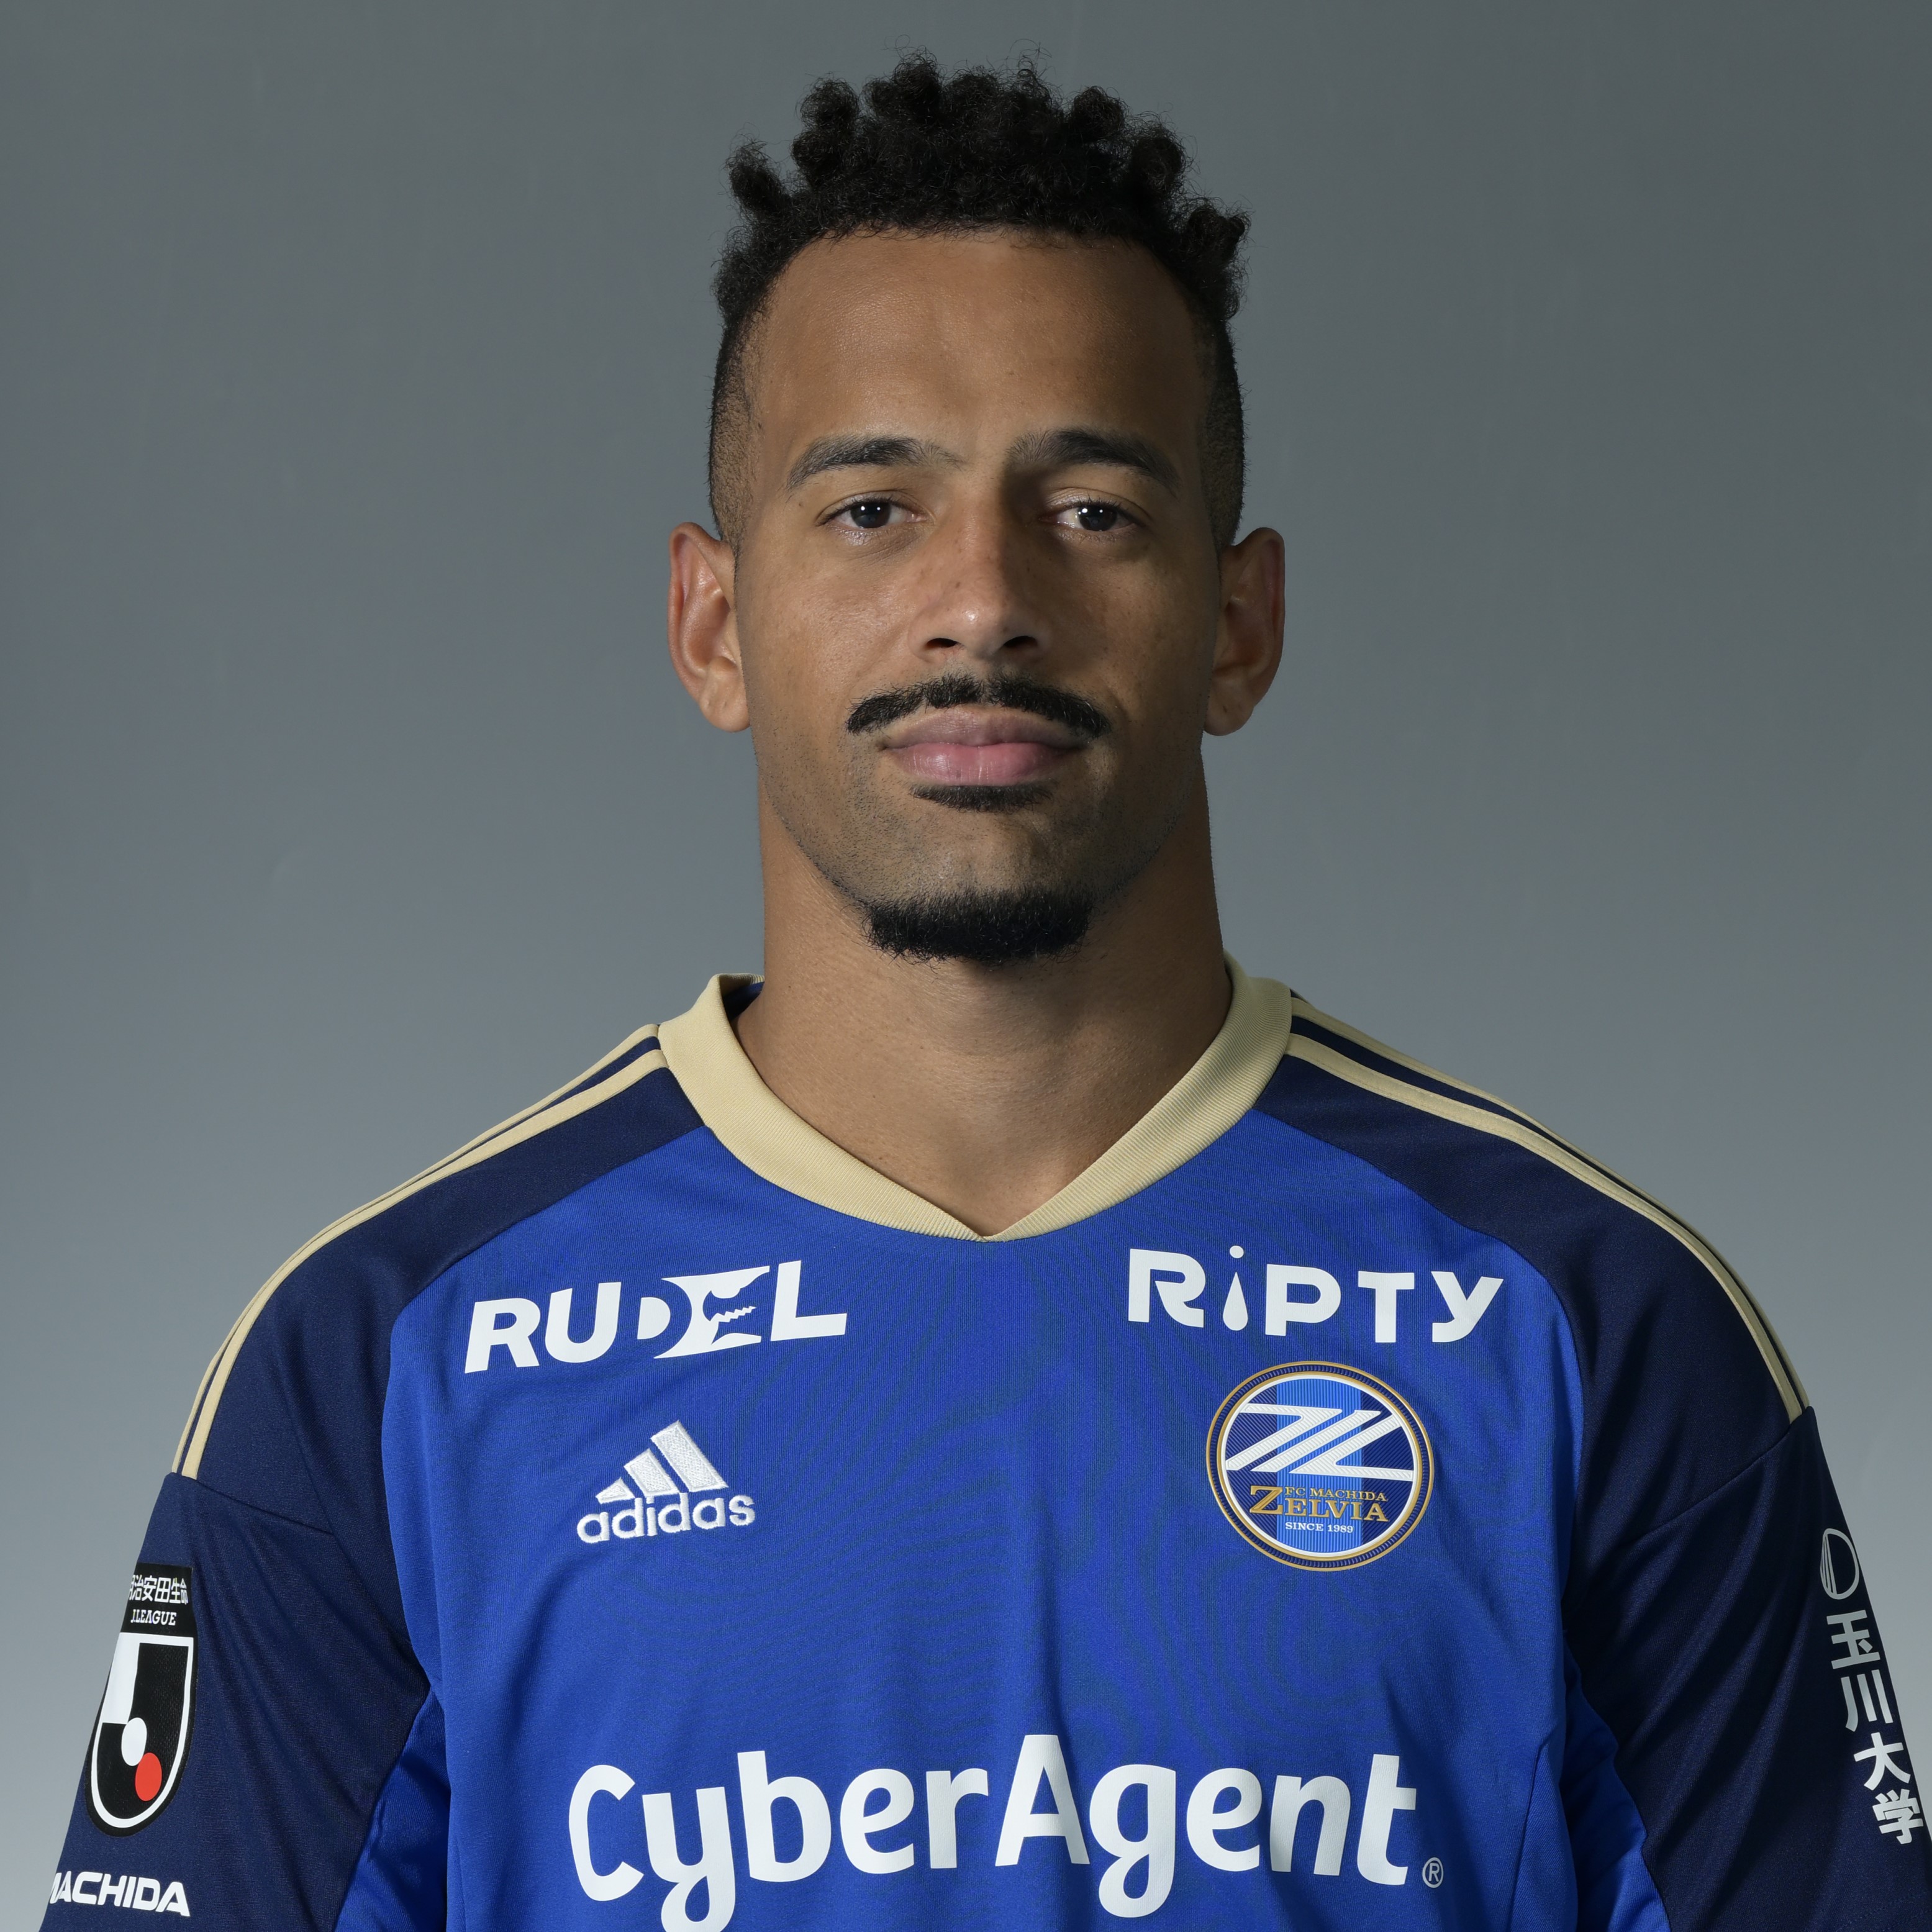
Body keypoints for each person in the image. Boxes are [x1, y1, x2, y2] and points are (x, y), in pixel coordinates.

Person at [41, 55, 1928, 1932]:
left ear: (1241, 624)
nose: (982, 602)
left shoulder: (1588, 1325)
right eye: (873, 509)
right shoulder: (384, 1358)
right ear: (713, 622)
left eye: (1092, 509)